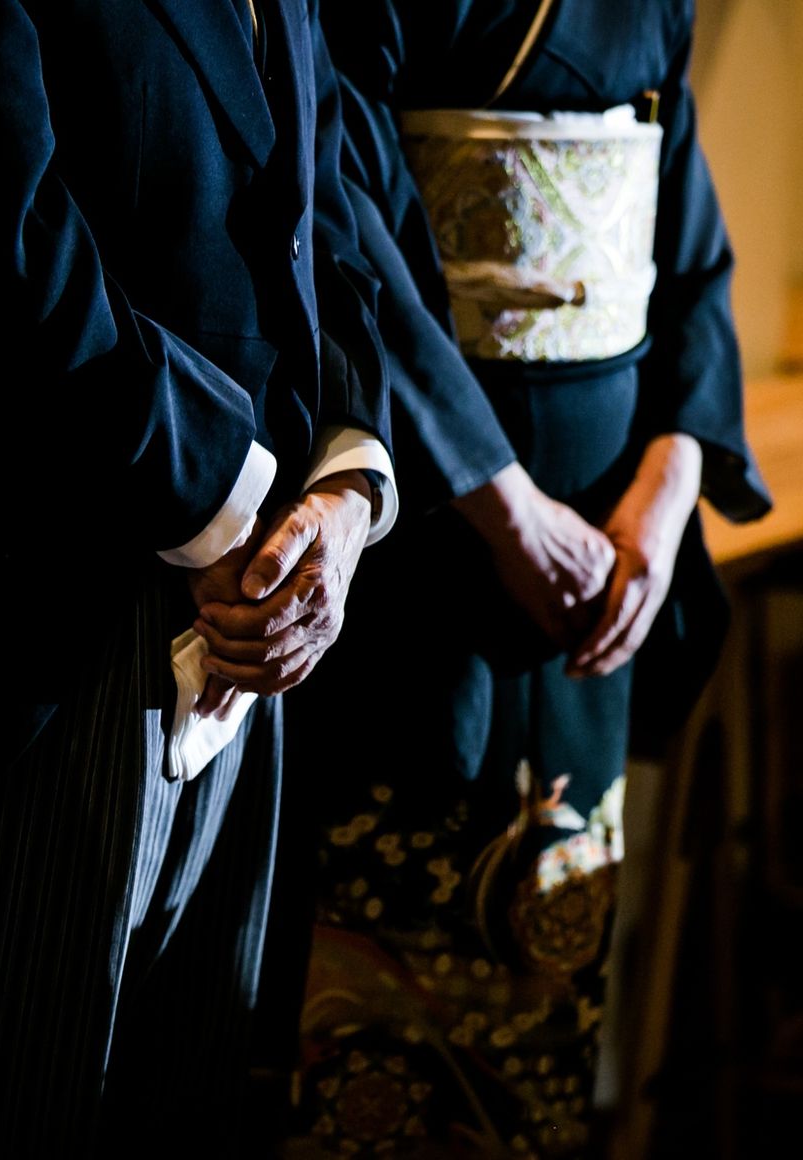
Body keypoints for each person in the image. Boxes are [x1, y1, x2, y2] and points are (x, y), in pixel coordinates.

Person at [0, 1, 397, 1156]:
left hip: (266, 605)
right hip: (46, 616)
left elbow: (322, 205)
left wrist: (346, 481)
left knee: (181, 1108)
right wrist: (224, 501)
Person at [257, 0, 772, 1155]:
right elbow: (346, 226)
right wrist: (505, 508)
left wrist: (667, 482)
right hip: (429, 543)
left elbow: (686, 244)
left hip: (605, 544)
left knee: (547, 966)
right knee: (384, 989)